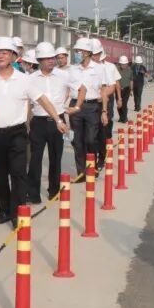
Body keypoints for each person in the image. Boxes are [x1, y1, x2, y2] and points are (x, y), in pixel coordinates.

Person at [0, 36, 65, 227]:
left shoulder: (24, 80)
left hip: (17, 133)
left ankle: (17, 213)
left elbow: (43, 100)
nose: (0, 56)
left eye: (4, 53)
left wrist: (57, 119)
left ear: (13, 56)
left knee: (18, 173)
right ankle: (4, 210)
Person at [27, 41, 80, 203]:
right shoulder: (30, 78)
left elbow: (81, 88)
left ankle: (54, 191)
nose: (51, 61)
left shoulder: (64, 75)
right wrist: (27, 123)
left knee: (55, 158)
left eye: (52, 57)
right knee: (35, 159)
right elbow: (27, 102)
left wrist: (76, 107)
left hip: (58, 122)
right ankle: (33, 194)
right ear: (39, 60)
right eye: (47, 58)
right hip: (38, 122)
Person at [68, 38, 109, 177]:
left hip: (92, 107)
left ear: (87, 52)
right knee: (77, 141)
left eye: (79, 51)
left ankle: (92, 167)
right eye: (76, 51)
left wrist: (104, 111)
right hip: (75, 106)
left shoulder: (99, 68)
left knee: (91, 139)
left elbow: (103, 90)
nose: (76, 53)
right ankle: (81, 172)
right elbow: (66, 89)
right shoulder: (72, 69)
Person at [96, 46, 121, 170]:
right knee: (97, 127)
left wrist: (119, 98)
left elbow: (116, 84)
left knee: (106, 124)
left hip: (107, 98)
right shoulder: (91, 67)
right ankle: (100, 149)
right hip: (95, 98)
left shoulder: (110, 67)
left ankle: (104, 150)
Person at [116, 55, 133, 123]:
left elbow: (131, 81)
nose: (123, 65)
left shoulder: (130, 71)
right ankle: (121, 117)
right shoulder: (116, 70)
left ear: (127, 63)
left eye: (125, 64)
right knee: (119, 104)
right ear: (120, 64)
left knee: (124, 104)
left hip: (126, 89)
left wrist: (131, 90)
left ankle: (125, 118)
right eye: (122, 64)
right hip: (118, 90)